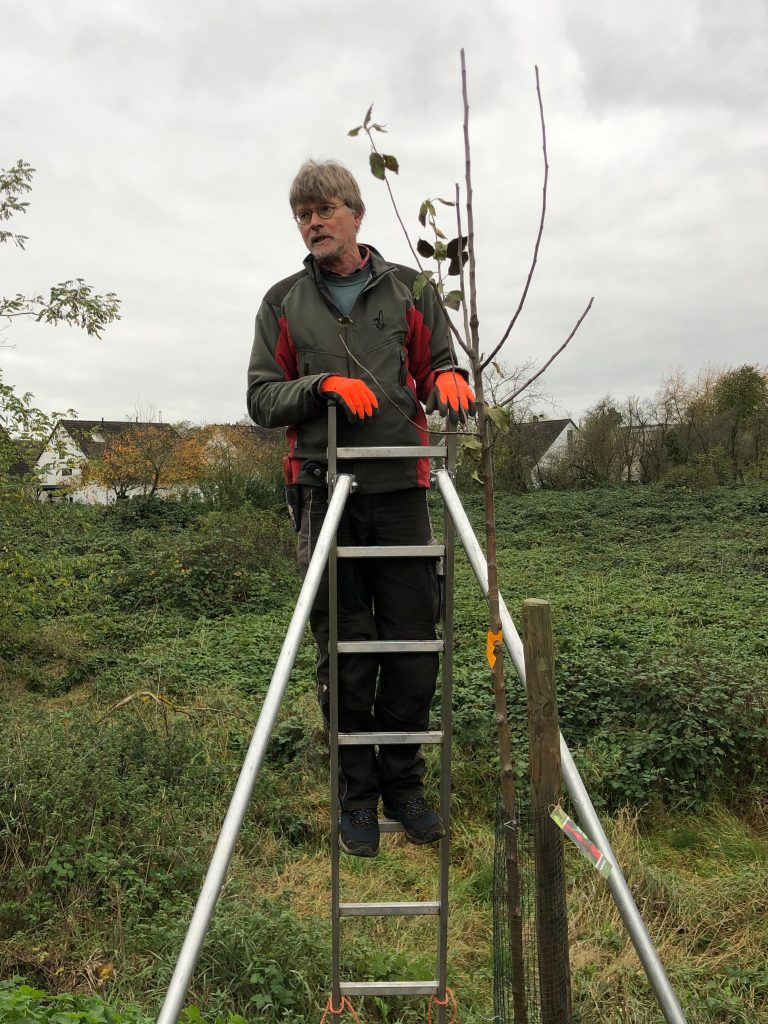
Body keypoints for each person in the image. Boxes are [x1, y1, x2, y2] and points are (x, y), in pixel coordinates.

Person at [247, 159, 475, 857]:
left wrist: (449, 380)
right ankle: (356, 797)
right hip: (323, 490)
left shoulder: (411, 288)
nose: (313, 223)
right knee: (346, 653)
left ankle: (404, 788)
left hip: (402, 488)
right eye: (302, 215)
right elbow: (261, 399)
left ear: (355, 214)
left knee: (411, 649)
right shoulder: (283, 302)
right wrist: (322, 386)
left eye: (324, 210)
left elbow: (436, 360)